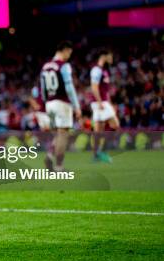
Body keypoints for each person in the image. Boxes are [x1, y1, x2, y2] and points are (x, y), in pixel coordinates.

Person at [40, 41, 81, 171]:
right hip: (62, 103)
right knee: (63, 134)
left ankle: (49, 155)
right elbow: (69, 87)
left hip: (49, 104)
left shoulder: (45, 66)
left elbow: (42, 88)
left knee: (57, 134)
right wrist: (76, 106)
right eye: (69, 52)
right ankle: (59, 166)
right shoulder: (64, 66)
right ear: (64, 50)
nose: (69, 55)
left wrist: (46, 102)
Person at [89, 49, 119, 162]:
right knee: (115, 125)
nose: (111, 58)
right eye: (110, 56)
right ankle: (102, 152)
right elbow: (94, 87)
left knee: (99, 130)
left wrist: (109, 102)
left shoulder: (104, 70)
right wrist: (100, 102)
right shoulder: (96, 70)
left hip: (102, 101)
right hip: (99, 102)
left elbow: (105, 90)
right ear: (104, 56)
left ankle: (96, 155)